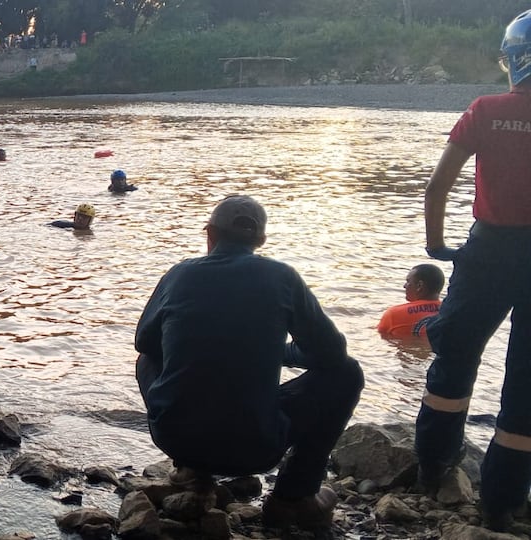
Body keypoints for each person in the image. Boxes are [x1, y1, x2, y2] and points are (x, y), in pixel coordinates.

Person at [135, 195, 364, 530]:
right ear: (260, 241)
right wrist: (283, 352)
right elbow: (332, 355)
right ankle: (293, 497)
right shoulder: (282, 277)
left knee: (148, 358)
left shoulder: (179, 274)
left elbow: (144, 342)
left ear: (209, 234)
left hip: (175, 436)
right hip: (254, 450)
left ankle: (191, 470)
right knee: (347, 375)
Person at [416, 10, 531, 532]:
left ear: (512, 60)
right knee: (528, 380)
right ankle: (501, 501)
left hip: (486, 251)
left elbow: (437, 185)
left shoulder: (486, 110)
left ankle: (434, 467)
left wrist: (439, 246)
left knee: (456, 351)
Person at [377, 264, 444, 339]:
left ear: (419, 286)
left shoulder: (394, 314)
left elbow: (379, 337)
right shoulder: (453, 313)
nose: (404, 286)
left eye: (408, 281)